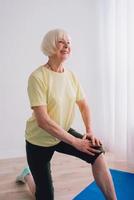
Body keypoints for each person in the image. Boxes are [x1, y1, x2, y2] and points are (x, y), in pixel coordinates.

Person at [20, 29, 117, 200]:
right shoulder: (37, 77)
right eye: (61, 42)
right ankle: (27, 175)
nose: (67, 46)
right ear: (50, 45)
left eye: (69, 43)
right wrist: (76, 143)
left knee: (97, 153)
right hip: (39, 140)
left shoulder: (70, 76)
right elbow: (43, 121)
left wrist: (89, 130)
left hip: (62, 132)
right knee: (45, 196)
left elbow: (84, 105)